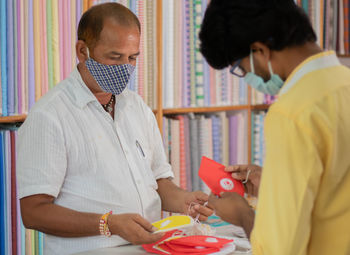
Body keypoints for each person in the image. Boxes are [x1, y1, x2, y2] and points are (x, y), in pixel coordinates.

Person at [17, 3, 212, 255]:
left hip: (151, 248)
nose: (124, 68)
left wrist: (185, 201)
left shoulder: (137, 107)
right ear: (82, 50)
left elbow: (159, 181)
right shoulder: (50, 116)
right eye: (114, 57)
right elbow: (33, 213)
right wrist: (108, 224)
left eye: (132, 58)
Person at [199, 0, 350, 254]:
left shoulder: (293, 112)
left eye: (241, 68)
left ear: (260, 51)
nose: (249, 77)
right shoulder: (343, 84)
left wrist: (244, 214)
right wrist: (273, 184)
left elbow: (281, 248)